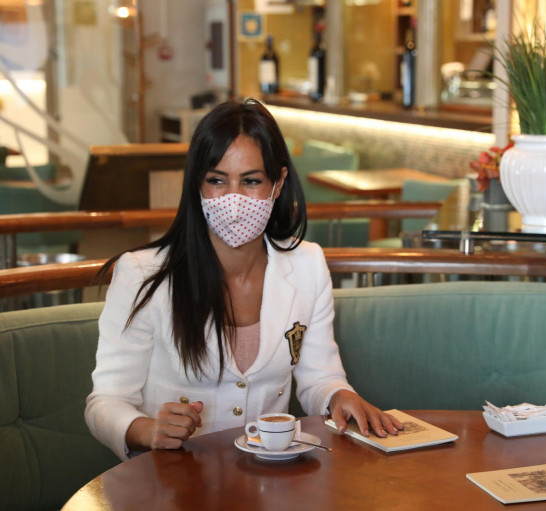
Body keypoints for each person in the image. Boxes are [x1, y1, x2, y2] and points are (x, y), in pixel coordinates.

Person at [85, 98, 402, 460]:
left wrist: (339, 396)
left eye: (251, 181)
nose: (233, 199)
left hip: (266, 477)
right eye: (217, 180)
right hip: (172, 478)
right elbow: (105, 402)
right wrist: (147, 429)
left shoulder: (308, 264)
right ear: (197, 184)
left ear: (278, 184)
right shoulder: (142, 274)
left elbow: (320, 376)